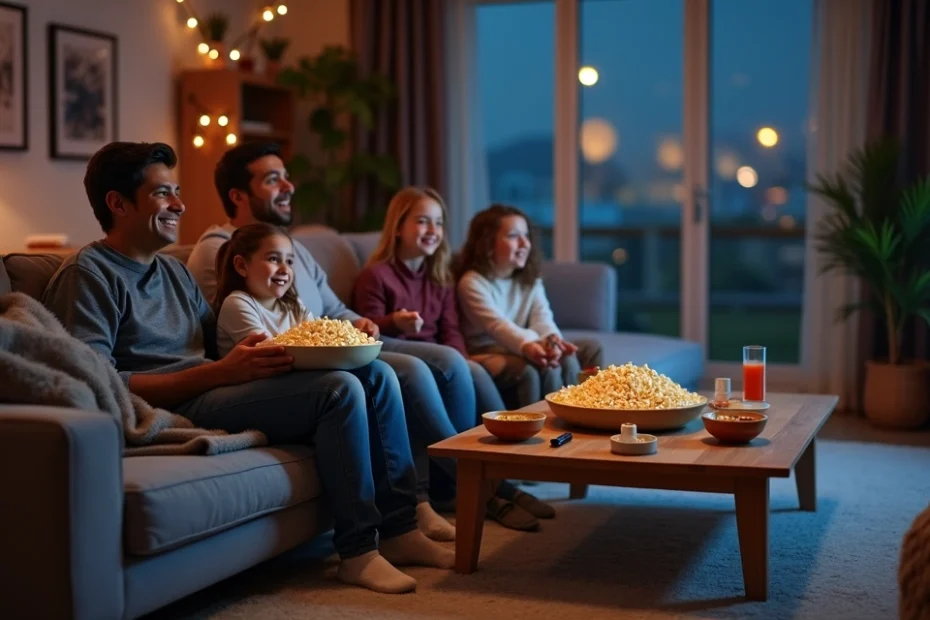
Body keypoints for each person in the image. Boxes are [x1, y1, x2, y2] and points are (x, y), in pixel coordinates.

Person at [41, 141, 453, 594]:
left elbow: (219, 344)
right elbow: (96, 383)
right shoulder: (90, 274)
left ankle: (400, 529)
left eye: (177, 191)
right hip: (178, 403)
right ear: (117, 203)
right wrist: (219, 374)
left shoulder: (172, 271)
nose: (179, 203)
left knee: (376, 373)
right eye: (163, 194)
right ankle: (358, 552)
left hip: (215, 386)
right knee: (338, 390)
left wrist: (268, 351)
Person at [186, 141, 476, 538]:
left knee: (449, 361)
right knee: (403, 371)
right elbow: (229, 328)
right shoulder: (218, 253)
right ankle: (470, 484)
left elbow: (331, 311)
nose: (289, 186)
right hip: (293, 365)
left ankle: (439, 495)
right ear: (238, 195)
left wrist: (362, 324)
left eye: (286, 176)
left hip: (333, 346)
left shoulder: (295, 250)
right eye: (273, 179)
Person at [353, 186, 555, 531]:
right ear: (398, 227)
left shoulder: (440, 277)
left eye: (439, 222)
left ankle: (495, 475)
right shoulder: (377, 275)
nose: (432, 230)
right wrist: (393, 321)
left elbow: (450, 332)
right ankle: (490, 490)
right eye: (422, 221)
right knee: (453, 362)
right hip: (395, 352)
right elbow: (369, 333)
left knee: (471, 368)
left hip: (440, 357)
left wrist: (464, 361)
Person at [457, 204, 604, 406]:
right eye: (513, 236)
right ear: (488, 244)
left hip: (524, 342)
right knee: (552, 362)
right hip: (491, 348)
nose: (525, 243)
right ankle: (555, 418)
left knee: (590, 348)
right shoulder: (472, 283)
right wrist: (534, 346)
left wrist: (553, 340)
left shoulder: (529, 279)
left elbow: (542, 317)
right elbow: (498, 326)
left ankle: (591, 408)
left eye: (526, 236)